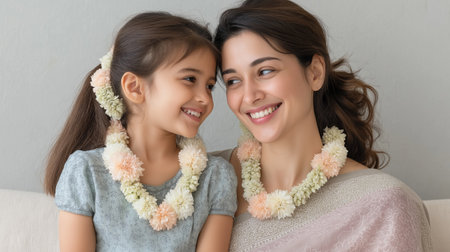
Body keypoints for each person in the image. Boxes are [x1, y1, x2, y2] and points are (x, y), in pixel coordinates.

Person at [213, 0, 432, 251]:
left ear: (315, 72)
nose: (249, 96)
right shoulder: (203, 179)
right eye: (233, 81)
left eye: (265, 71)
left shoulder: (384, 206)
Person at [44, 12, 237, 252]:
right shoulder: (86, 172)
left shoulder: (215, 177)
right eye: (189, 79)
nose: (204, 98)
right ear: (134, 88)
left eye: (209, 86)